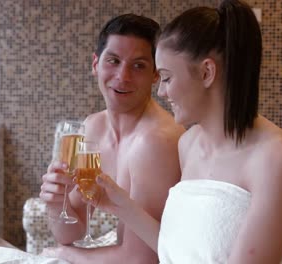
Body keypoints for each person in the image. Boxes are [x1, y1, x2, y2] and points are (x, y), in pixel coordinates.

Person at [87, 1, 282, 263]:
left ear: (206, 72)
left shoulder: (275, 158)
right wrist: (118, 204)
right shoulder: (188, 144)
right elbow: (179, 251)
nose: (161, 92)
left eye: (167, 78)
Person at [38, 14, 184, 263]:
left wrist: (66, 254)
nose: (123, 76)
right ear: (96, 64)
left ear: (155, 75)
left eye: (138, 65)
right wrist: (55, 202)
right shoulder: (93, 127)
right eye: (113, 61)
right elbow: (70, 231)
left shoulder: (156, 141)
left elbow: (143, 259)